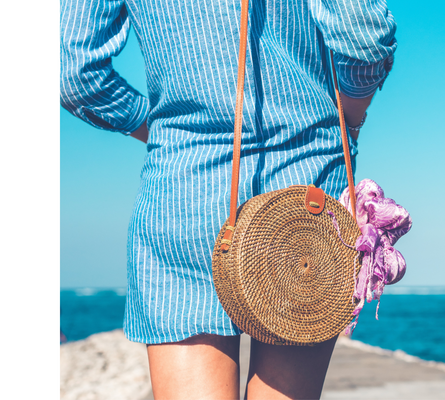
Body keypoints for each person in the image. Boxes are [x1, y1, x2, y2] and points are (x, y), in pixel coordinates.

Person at [60, 0, 397, 398]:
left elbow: (75, 75)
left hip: (183, 188)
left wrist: (162, 131)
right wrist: (350, 116)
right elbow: (364, 36)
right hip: (305, 182)